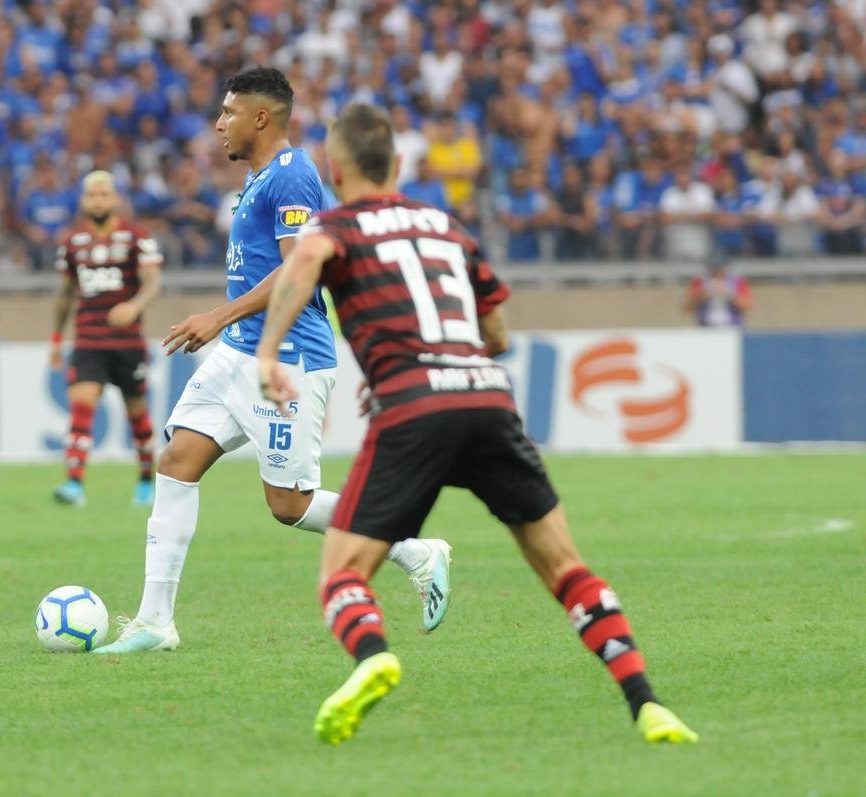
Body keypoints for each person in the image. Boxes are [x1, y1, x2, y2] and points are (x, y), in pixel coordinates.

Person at [256, 103, 697, 747]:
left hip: (413, 407)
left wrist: (269, 353)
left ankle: (373, 656)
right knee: (566, 570)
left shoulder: (336, 225)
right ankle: (647, 703)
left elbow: (303, 262)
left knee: (343, 576)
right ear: (398, 164)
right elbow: (498, 334)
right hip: (487, 399)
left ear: (336, 170)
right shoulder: (447, 227)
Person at [96, 68, 452, 655]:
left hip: (289, 359)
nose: (219, 124)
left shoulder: (292, 174)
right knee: (177, 461)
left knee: (290, 505)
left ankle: (415, 551)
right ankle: (155, 622)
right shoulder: (260, 177)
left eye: (229, 112)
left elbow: (298, 268)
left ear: (260, 117)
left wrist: (219, 316)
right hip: (240, 352)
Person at [50, 170, 163, 507]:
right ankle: (74, 484)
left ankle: (146, 482)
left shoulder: (136, 238)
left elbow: (153, 282)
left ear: (115, 199)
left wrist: (135, 306)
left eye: (103, 195)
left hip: (127, 343)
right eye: (91, 195)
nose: (97, 201)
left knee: (137, 415)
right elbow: (65, 294)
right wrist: (56, 339)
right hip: (88, 340)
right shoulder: (72, 243)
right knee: (81, 407)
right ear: (83, 201)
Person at [685, 253, 753, 327]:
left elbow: (748, 306)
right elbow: (687, 308)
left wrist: (729, 294)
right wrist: (703, 295)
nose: (717, 271)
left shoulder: (737, 281)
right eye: (714, 268)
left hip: (732, 326)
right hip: (706, 327)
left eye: (720, 268)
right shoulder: (700, 281)